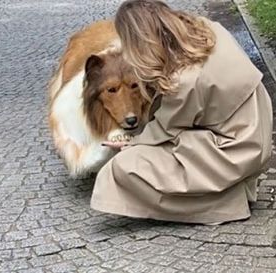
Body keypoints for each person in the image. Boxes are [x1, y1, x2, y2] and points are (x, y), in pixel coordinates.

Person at [91, 0, 273, 224]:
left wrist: (131, 143)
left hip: (236, 147)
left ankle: (225, 203)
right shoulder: (207, 28)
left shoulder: (183, 81)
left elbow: (164, 130)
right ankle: (227, 189)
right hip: (254, 126)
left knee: (123, 167)